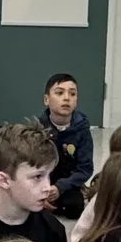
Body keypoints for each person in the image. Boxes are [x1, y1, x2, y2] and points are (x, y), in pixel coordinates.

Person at [40, 71, 94, 219]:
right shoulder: (38, 129)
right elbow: (29, 166)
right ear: (46, 99)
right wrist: (41, 190)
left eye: (72, 94)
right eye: (59, 93)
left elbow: (85, 168)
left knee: (74, 207)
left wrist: (60, 187)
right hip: (42, 182)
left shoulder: (82, 130)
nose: (66, 98)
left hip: (68, 185)